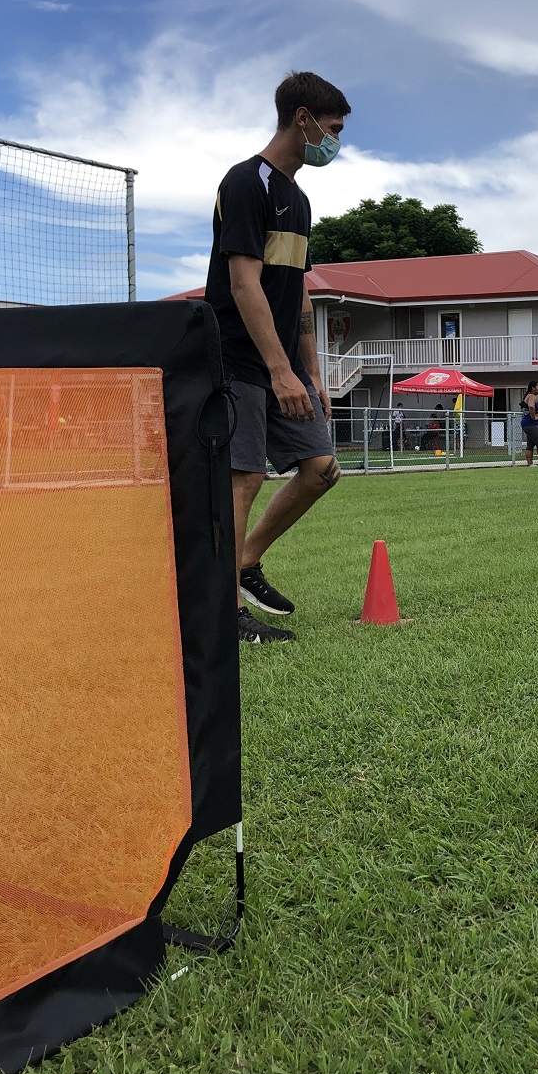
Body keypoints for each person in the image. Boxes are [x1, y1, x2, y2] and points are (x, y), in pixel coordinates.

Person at [206, 70, 350, 644]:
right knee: (243, 480)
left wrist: (311, 371)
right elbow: (244, 286)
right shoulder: (245, 183)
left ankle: (245, 563)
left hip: (285, 365)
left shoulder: (300, 198)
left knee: (322, 471)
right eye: (333, 129)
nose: (335, 142)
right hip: (238, 361)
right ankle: (222, 614)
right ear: (303, 118)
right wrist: (279, 368)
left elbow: (299, 292)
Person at [521, 380, 538, 466]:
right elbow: (531, 406)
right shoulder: (532, 396)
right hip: (531, 424)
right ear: (533, 388)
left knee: (530, 444)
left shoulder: (529, 396)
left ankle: (530, 464)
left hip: (527, 424)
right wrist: (534, 417)